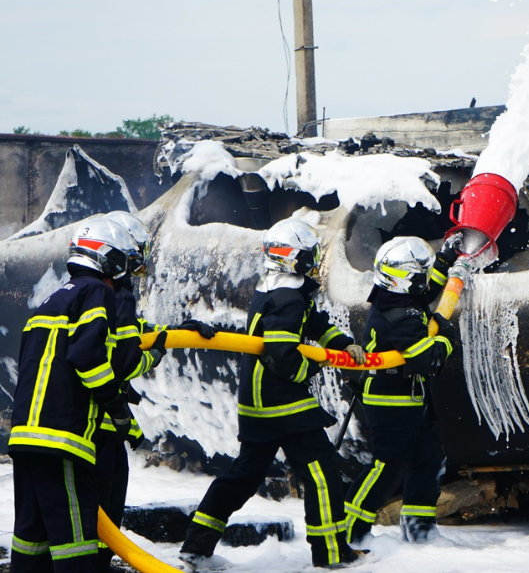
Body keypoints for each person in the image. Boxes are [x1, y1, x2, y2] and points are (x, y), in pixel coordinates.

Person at [179, 218, 365, 569]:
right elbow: (282, 356)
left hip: (258, 405)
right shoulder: (288, 299)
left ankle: (196, 546)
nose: (313, 262)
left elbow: (316, 324)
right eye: (309, 256)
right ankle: (332, 554)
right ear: (294, 258)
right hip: (283, 405)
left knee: (242, 477)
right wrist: (316, 367)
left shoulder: (275, 291)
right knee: (322, 474)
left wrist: (344, 345)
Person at [9, 219, 139, 573]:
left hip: (25, 438)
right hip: (63, 440)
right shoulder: (97, 292)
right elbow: (87, 355)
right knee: (75, 545)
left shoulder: (49, 301)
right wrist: (115, 403)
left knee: (31, 540)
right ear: (108, 260)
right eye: (123, 264)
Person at [94, 211, 218, 572]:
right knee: (99, 508)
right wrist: (158, 352)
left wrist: (176, 331)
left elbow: (136, 332)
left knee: (107, 509)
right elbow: (126, 357)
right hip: (97, 425)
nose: (137, 266)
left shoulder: (109, 295)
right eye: (135, 257)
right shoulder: (114, 296)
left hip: (104, 424)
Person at [342, 236, 457, 545]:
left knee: (428, 460)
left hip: (407, 399)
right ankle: (349, 530)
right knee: (387, 468)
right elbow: (428, 361)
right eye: (419, 273)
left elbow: (423, 292)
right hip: (391, 400)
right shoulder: (401, 316)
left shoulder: (393, 296)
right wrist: (446, 335)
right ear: (405, 278)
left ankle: (420, 532)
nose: (423, 279)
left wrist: (444, 262)